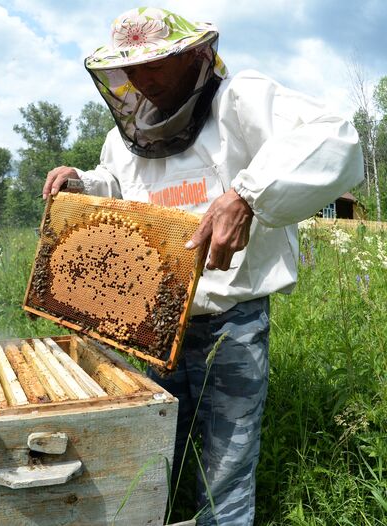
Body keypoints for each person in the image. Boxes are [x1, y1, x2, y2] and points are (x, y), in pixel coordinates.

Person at [42, 8, 363, 525]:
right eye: (132, 71)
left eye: (156, 67)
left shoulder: (242, 99)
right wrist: (83, 183)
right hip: (152, 326)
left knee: (225, 473)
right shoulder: (127, 133)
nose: (142, 82)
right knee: (152, 461)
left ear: (195, 57)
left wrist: (247, 195)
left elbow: (336, 137)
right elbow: (118, 188)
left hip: (229, 324)